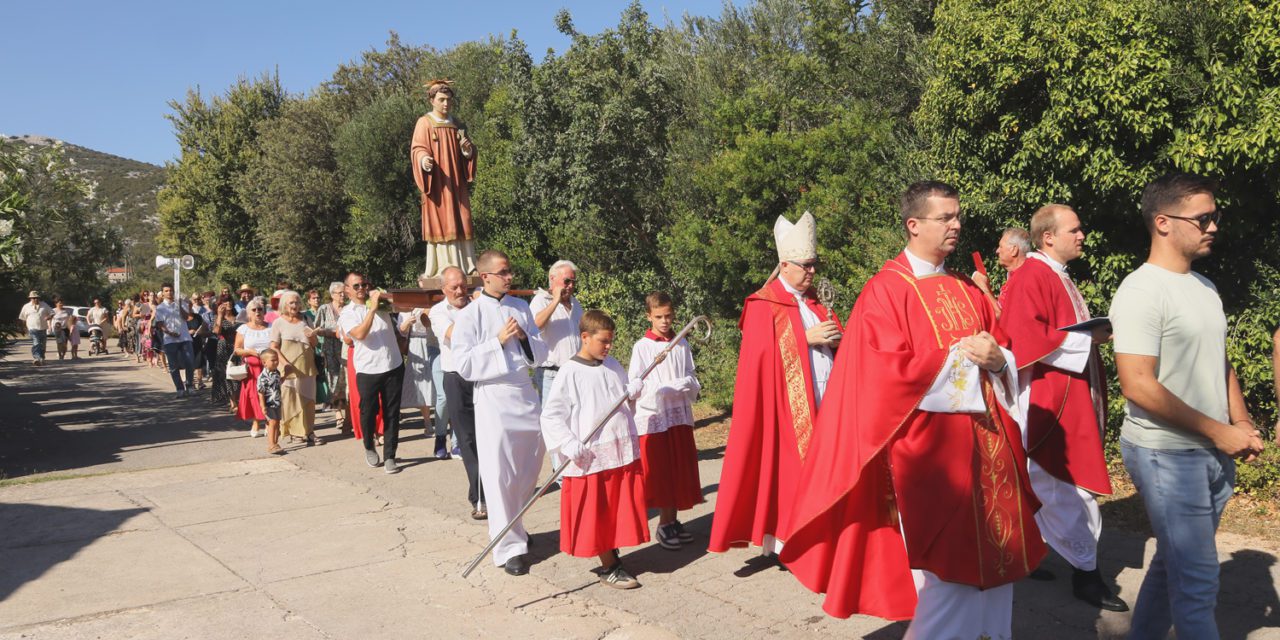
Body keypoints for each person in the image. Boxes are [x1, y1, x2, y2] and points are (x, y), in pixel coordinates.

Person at [779, 181, 1046, 639]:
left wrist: (1000, 361)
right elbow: (880, 376)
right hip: (931, 457)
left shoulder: (968, 288)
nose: (957, 224)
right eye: (946, 217)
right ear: (914, 224)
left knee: (1001, 570)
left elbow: (1002, 350)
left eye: (957, 216)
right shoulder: (885, 292)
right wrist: (959, 357)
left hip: (992, 451)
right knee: (950, 575)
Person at [1110, 173, 1264, 639]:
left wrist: (1239, 419)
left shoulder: (1204, 287)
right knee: (1197, 584)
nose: (1213, 226)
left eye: (1215, 216)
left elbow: (1219, 361)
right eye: (1203, 218)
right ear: (1163, 223)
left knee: (1171, 566)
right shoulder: (1141, 291)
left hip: (1211, 450)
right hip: (1166, 453)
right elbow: (1138, 385)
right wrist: (1218, 431)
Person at [1000, 204, 1126, 611]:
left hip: (1067, 391)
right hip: (1048, 398)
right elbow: (1024, 335)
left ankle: (1031, 554)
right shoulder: (1032, 275)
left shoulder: (1055, 274)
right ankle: (1086, 576)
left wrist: (1091, 336)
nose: (1082, 235)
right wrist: (1086, 340)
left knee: (1055, 483)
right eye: (1074, 229)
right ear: (1048, 237)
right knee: (1064, 482)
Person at [708, 212, 843, 558]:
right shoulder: (762, 304)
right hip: (784, 406)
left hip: (827, 398)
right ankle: (790, 543)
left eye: (814, 264)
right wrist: (805, 338)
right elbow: (758, 359)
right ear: (784, 265)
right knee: (790, 474)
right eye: (805, 265)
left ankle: (825, 535)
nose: (811, 271)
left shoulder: (814, 302)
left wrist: (838, 339)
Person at [452, 250, 549, 576]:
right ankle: (509, 548)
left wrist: (523, 339)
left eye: (510, 271)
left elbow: (540, 352)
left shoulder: (520, 307)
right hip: (494, 398)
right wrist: (497, 341)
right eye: (503, 272)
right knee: (499, 475)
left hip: (524, 391)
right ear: (486, 277)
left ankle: (514, 525)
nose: (509, 277)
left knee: (528, 468)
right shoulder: (470, 315)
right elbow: (464, 365)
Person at [541, 310, 648, 589]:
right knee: (598, 512)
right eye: (604, 341)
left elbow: (621, 401)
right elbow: (551, 415)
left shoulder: (612, 364)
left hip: (618, 450)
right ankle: (609, 565)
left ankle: (612, 554)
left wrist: (632, 392)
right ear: (585, 337)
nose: (609, 347)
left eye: (611, 340)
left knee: (615, 509)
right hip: (591, 455)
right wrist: (567, 442)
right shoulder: (569, 372)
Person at [629, 291, 703, 550]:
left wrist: (686, 384)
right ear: (648, 316)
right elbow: (635, 386)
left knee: (677, 469)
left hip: (678, 415)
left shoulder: (681, 342)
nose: (664, 321)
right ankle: (662, 524)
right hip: (655, 418)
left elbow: (692, 375)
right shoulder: (643, 347)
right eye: (659, 316)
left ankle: (672, 521)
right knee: (661, 472)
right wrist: (661, 390)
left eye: (669, 316)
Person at [430, 265, 486, 519]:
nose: (460, 291)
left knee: (489, 435)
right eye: (454, 287)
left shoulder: (480, 305)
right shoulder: (438, 312)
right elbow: (456, 336)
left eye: (463, 285)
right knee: (468, 439)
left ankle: (491, 491)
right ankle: (479, 496)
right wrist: (475, 311)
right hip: (455, 378)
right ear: (444, 289)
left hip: (483, 376)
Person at [339, 272, 405, 474]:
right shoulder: (348, 313)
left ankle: (390, 456)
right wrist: (372, 310)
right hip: (368, 369)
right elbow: (359, 334)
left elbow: (404, 304)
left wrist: (383, 297)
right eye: (356, 286)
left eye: (364, 284)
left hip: (393, 364)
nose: (362, 289)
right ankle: (369, 445)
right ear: (348, 290)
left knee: (392, 413)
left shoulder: (379, 303)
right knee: (368, 412)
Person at [411, 79, 478, 277]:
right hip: (439, 185)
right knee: (441, 220)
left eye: (448, 100)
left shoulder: (456, 124)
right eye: (441, 99)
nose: (446, 104)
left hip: (456, 184)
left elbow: (468, 151)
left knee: (462, 218)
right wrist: (424, 161)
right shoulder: (425, 123)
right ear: (432, 100)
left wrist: (467, 152)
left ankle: (467, 265)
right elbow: (418, 148)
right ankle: (443, 267)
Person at [531, 259, 585, 474]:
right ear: (552, 279)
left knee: (574, 419)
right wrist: (554, 301)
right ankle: (560, 472)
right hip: (551, 373)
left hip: (575, 371)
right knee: (555, 422)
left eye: (572, 281)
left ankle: (573, 466)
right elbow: (535, 325)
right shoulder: (540, 301)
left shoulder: (576, 303)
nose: (570, 286)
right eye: (566, 281)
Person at [398, 282, 444, 457]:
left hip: (433, 341)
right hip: (416, 344)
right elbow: (401, 331)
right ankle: (427, 422)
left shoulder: (436, 304)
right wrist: (408, 323)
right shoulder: (408, 306)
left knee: (437, 383)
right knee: (422, 385)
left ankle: (441, 420)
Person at [271, 291, 321, 447]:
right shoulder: (278, 323)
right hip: (288, 367)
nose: (295, 306)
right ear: (284, 304)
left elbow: (314, 344)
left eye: (297, 302)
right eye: (291, 303)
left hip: (307, 366)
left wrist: (312, 336)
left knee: (309, 400)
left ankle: (309, 431)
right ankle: (295, 433)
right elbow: (273, 346)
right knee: (291, 401)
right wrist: (284, 363)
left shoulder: (306, 319)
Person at [314, 282, 350, 433]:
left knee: (347, 381)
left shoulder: (349, 309)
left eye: (344, 292)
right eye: (339, 293)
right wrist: (331, 332)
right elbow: (316, 329)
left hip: (346, 349)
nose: (342, 295)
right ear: (332, 294)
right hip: (330, 349)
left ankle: (349, 417)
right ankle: (338, 415)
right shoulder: (324, 309)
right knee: (334, 381)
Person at [235, 297, 273, 437]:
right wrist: (250, 352)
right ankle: (256, 422)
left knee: (271, 395)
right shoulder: (243, 329)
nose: (257, 312)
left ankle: (270, 423)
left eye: (260, 309)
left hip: (270, 366)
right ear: (249, 313)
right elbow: (237, 349)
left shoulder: (271, 327)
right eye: (254, 310)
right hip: (252, 368)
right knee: (254, 396)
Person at [972, 227, 1031, 313]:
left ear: (1014, 250)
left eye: (1000, 246)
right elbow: (1000, 307)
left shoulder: (1023, 279)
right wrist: (987, 286)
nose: (997, 251)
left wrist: (982, 287)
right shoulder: (1018, 275)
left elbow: (1000, 315)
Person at [153, 285, 196, 398]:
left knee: (190, 362)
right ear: (162, 293)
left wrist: (180, 305)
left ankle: (190, 386)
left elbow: (187, 317)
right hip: (170, 340)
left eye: (171, 290)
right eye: (166, 291)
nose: (169, 293)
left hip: (185, 338)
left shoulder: (180, 303)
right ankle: (180, 389)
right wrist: (169, 333)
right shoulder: (160, 308)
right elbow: (160, 324)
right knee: (174, 366)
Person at [256, 348, 287, 455]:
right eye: (273, 360)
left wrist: (286, 375)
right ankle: (271, 445)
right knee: (272, 423)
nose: (276, 362)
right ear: (264, 363)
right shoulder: (263, 377)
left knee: (277, 423)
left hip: (277, 402)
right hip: (269, 403)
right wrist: (262, 405)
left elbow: (279, 383)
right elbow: (261, 392)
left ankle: (275, 443)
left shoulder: (276, 372)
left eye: (277, 360)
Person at [210, 301, 240, 412]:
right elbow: (216, 331)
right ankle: (233, 402)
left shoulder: (239, 316)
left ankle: (237, 399)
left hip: (238, 347)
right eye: (224, 302)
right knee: (227, 374)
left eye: (230, 301)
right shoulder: (217, 317)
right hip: (224, 348)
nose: (228, 304)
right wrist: (220, 315)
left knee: (239, 373)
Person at [18, 290, 53, 365]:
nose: (35, 299)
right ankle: (37, 358)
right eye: (33, 298)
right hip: (32, 328)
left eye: (37, 298)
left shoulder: (44, 305)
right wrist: (23, 328)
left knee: (42, 345)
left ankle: (42, 358)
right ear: (30, 298)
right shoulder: (26, 306)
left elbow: (52, 312)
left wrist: (49, 317)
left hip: (43, 328)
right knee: (36, 343)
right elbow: (22, 318)